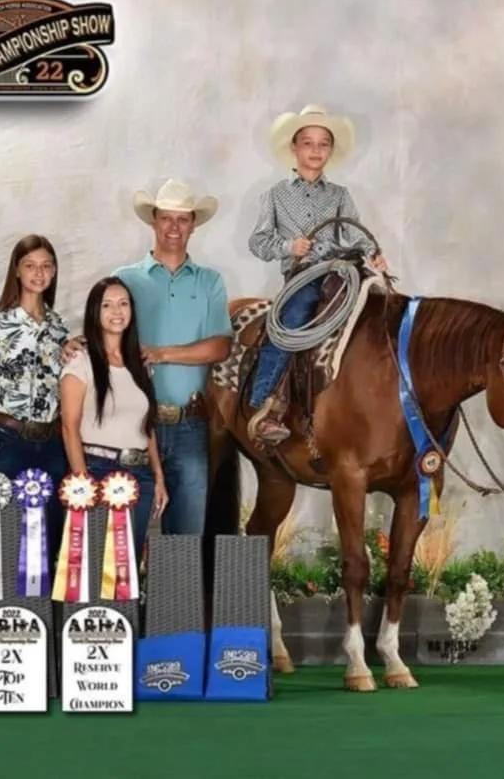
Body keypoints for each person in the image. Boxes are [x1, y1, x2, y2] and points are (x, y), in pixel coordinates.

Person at [63, 178, 232, 537]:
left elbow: (221, 346)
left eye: (183, 219)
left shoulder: (210, 282)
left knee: (184, 535)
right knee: (121, 535)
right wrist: (78, 342)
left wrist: (161, 353)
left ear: (193, 225)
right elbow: (106, 325)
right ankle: (118, 594)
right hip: (133, 423)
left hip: (188, 422)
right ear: (153, 221)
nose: (174, 227)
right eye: (166, 218)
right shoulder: (126, 279)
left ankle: (172, 595)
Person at [246, 104, 389, 446]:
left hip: (341, 272)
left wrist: (373, 253)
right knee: (292, 320)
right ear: (294, 148)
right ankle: (266, 404)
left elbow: (356, 234)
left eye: (323, 143)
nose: (315, 150)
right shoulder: (275, 196)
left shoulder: (341, 195)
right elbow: (258, 242)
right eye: (307, 143)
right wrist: (288, 247)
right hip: (303, 275)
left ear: (330, 150)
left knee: (379, 312)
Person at [0, 234, 69, 569]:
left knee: (50, 530)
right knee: (6, 531)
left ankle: (40, 609)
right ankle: (4, 611)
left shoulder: (59, 327)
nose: (39, 274)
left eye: (46, 266)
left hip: (52, 441)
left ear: (53, 272)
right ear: (17, 271)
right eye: (30, 266)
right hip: (9, 438)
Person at [59, 277, 167, 564]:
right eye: (107, 305)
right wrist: (83, 483)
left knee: (127, 565)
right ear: (95, 312)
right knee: (98, 566)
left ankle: (125, 610)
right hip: (99, 469)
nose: (116, 311)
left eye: (123, 304)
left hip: (140, 475)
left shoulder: (140, 364)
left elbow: (148, 426)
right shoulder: (80, 361)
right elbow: (69, 426)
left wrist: (158, 476)